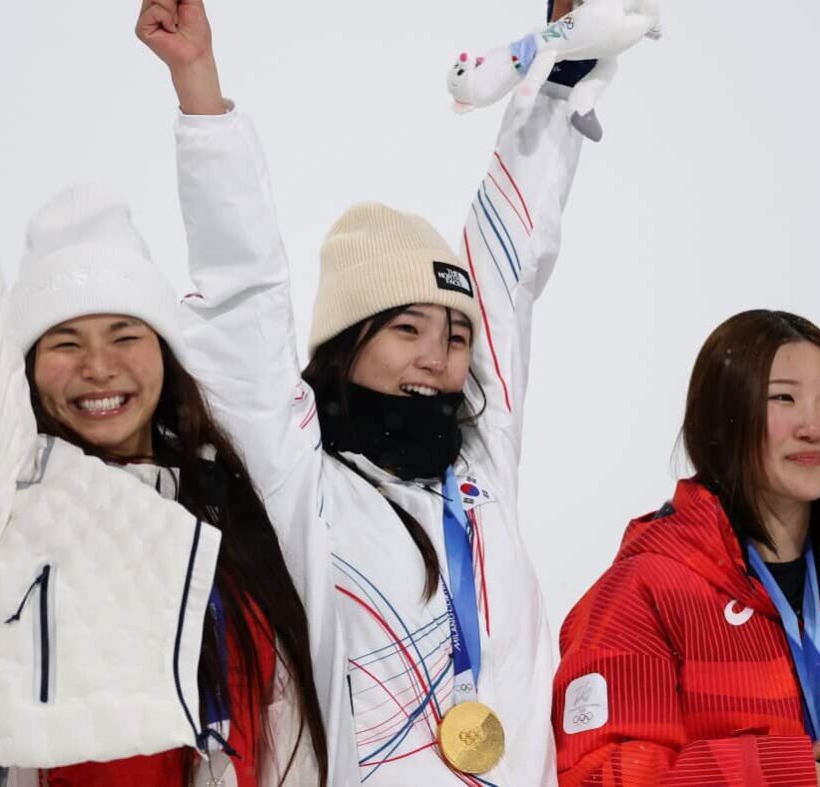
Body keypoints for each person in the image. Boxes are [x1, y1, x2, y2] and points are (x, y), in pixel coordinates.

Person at [133, 0, 653, 782]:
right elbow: (241, 295)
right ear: (346, 346)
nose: (437, 358)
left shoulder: (480, 459)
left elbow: (506, 268)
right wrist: (198, 87)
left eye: (452, 335)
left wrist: (561, 71)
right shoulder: (300, 480)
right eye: (406, 329)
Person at [0, 21, 326, 787]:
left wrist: (198, 79)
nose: (98, 367)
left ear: (165, 354)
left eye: (126, 334)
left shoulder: (227, 502)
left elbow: (246, 288)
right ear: (24, 366)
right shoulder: (3, 497)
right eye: (64, 342)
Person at [553, 310, 820, 787]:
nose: (812, 427)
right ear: (722, 419)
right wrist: (777, 776)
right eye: (784, 398)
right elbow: (599, 778)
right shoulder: (644, 593)